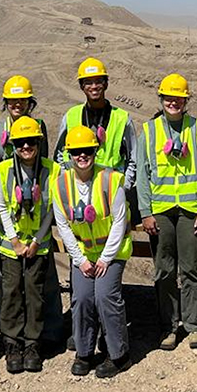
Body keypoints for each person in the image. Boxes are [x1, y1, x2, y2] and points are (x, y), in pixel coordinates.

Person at [52, 57, 138, 352]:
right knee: (81, 287)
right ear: (81, 86)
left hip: (109, 198)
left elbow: (133, 159)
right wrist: (71, 186)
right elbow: (59, 156)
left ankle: (108, 339)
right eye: (88, 82)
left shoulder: (122, 118)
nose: (93, 86)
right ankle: (85, 338)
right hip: (78, 197)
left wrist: (118, 187)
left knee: (105, 288)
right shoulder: (71, 116)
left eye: (98, 81)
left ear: (105, 84)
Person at [0, 76, 63, 350]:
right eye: (12, 101)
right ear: (6, 103)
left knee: (41, 279)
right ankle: (11, 336)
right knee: (10, 277)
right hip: (7, 216)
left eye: (22, 100)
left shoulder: (38, 128)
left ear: (30, 102)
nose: (17, 105)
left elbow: (45, 164)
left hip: (38, 216)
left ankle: (42, 334)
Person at [136, 73, 197, 351]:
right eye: (168, 98)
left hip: (191, 210)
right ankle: (168, 326)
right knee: (164, 271)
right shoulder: (149, 131)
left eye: (178, 98)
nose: (173, 102)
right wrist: (146, 211)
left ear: (186, 100)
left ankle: (195, 326)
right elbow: (143, 176)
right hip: (161, 211)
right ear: (161, 99)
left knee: (192, 269)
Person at [52, 126, 134, 378]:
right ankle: (84, 351)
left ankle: (118, 354)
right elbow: (63, 226)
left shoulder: (111, 180)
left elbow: (119, 223)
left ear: (95, 151)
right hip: (84, 255)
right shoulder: (61, 185)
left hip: (112, 252)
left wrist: (106, 259)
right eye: (76, 152)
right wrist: (80, 259)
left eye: (86, 150)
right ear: (69, 154)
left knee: (105, 296)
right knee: (83, 298)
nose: (82, 156)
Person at [0, 116, 56, 373]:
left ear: (39, 143)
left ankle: (32, 343)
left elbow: (51, 210)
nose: (26, 147)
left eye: (31, 142)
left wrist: (35, 241)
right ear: (13, 145)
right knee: (11, 292)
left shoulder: (51, 170)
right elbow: (1, 206)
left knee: (34, 292)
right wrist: (16, 241)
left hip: (37, 245)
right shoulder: (4, 170)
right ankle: (12, 343)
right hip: (12, 245)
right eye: (20, 143)